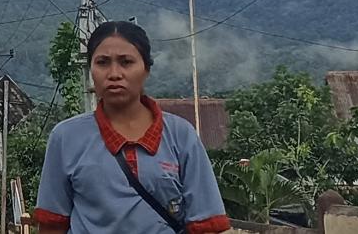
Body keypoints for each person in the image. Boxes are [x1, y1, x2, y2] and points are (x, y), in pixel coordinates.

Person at [34, 21, 229, 234]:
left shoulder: (181, 136)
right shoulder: (66, 137)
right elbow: (52, 225)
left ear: (146, 69)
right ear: (91, 69)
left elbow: (207, 224)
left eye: (126, 62)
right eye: (102, 62)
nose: (114, 73)